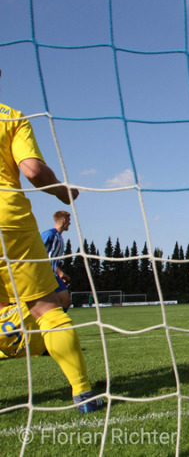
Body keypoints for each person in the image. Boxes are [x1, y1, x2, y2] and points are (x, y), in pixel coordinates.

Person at [0, 84, 103, 412]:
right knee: (49, 309)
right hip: (8, 218)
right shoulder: (11, 118)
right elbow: (32, 170)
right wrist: (62, 191)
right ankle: (82, 393)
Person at [41, 210, 72, 311]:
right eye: (69, 220)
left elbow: (51, 258)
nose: (70, 223)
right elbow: (37, 250)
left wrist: (60, 273)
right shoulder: (50, 234)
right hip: (43, 275)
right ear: (64, 220)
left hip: (53, 275)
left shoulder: (60, 237)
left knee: (65, 301)